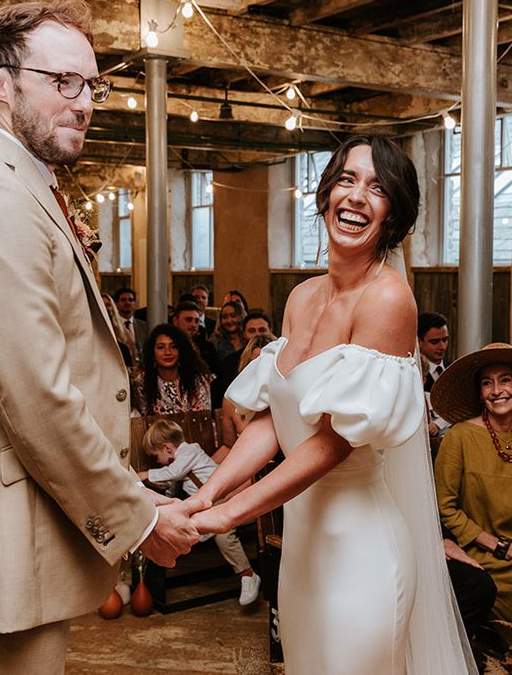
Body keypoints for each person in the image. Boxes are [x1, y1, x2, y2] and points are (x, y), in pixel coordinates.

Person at [0, 0, 200, 673]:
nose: (85, 102)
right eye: (62, 82)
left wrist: (131, 491)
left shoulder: (28, 186)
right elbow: (35, 395)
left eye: (91, 84)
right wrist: (140, 517)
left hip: (28, 532)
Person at [187, 136, 475, 674]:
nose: (357, 196)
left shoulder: (388, 299)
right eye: (347, 179)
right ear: (325, 195)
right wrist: (204, 497)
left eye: (378, 188)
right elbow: (275, 415)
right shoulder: (301, 296)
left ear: (394, 216)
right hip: (301, 547)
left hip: (360, 550)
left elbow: (332, 442)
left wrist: (228, 514)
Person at [432, 342, 512, 652]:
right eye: (487, 382)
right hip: (477, 547)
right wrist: (497, 545)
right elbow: (444, 508)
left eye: (506, 380)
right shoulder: (459, 437)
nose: (496, 390)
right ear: (479, 393)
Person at [138, 420, 262, 606]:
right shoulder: (177, 464)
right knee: (189, 530)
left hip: (225, 501)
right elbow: (172, 488)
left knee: (224, 536)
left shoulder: (189, 452)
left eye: (156, 456)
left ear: (167, 448)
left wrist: (146, 475)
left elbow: (174, 473)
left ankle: (248, 575)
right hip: (210, 506)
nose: (157, 461)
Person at [133, 324, 212, 416]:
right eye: (161, 347)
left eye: (173, 346)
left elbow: (203, 420)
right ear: (152, 352)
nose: (168, 352)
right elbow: (143, 420)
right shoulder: (142, 383)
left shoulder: (197, 381)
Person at [219, 334, 277, 453]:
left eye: (266, 365)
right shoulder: (231, 400)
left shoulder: (285, 397)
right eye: (255, 363)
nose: (261, 370)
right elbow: (229, 447)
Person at [418, 311, 451, 448]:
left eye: (445, 340)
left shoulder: (455, 368)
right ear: (419, 342)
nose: (442, 347)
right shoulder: (417, 376)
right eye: (434, 342)